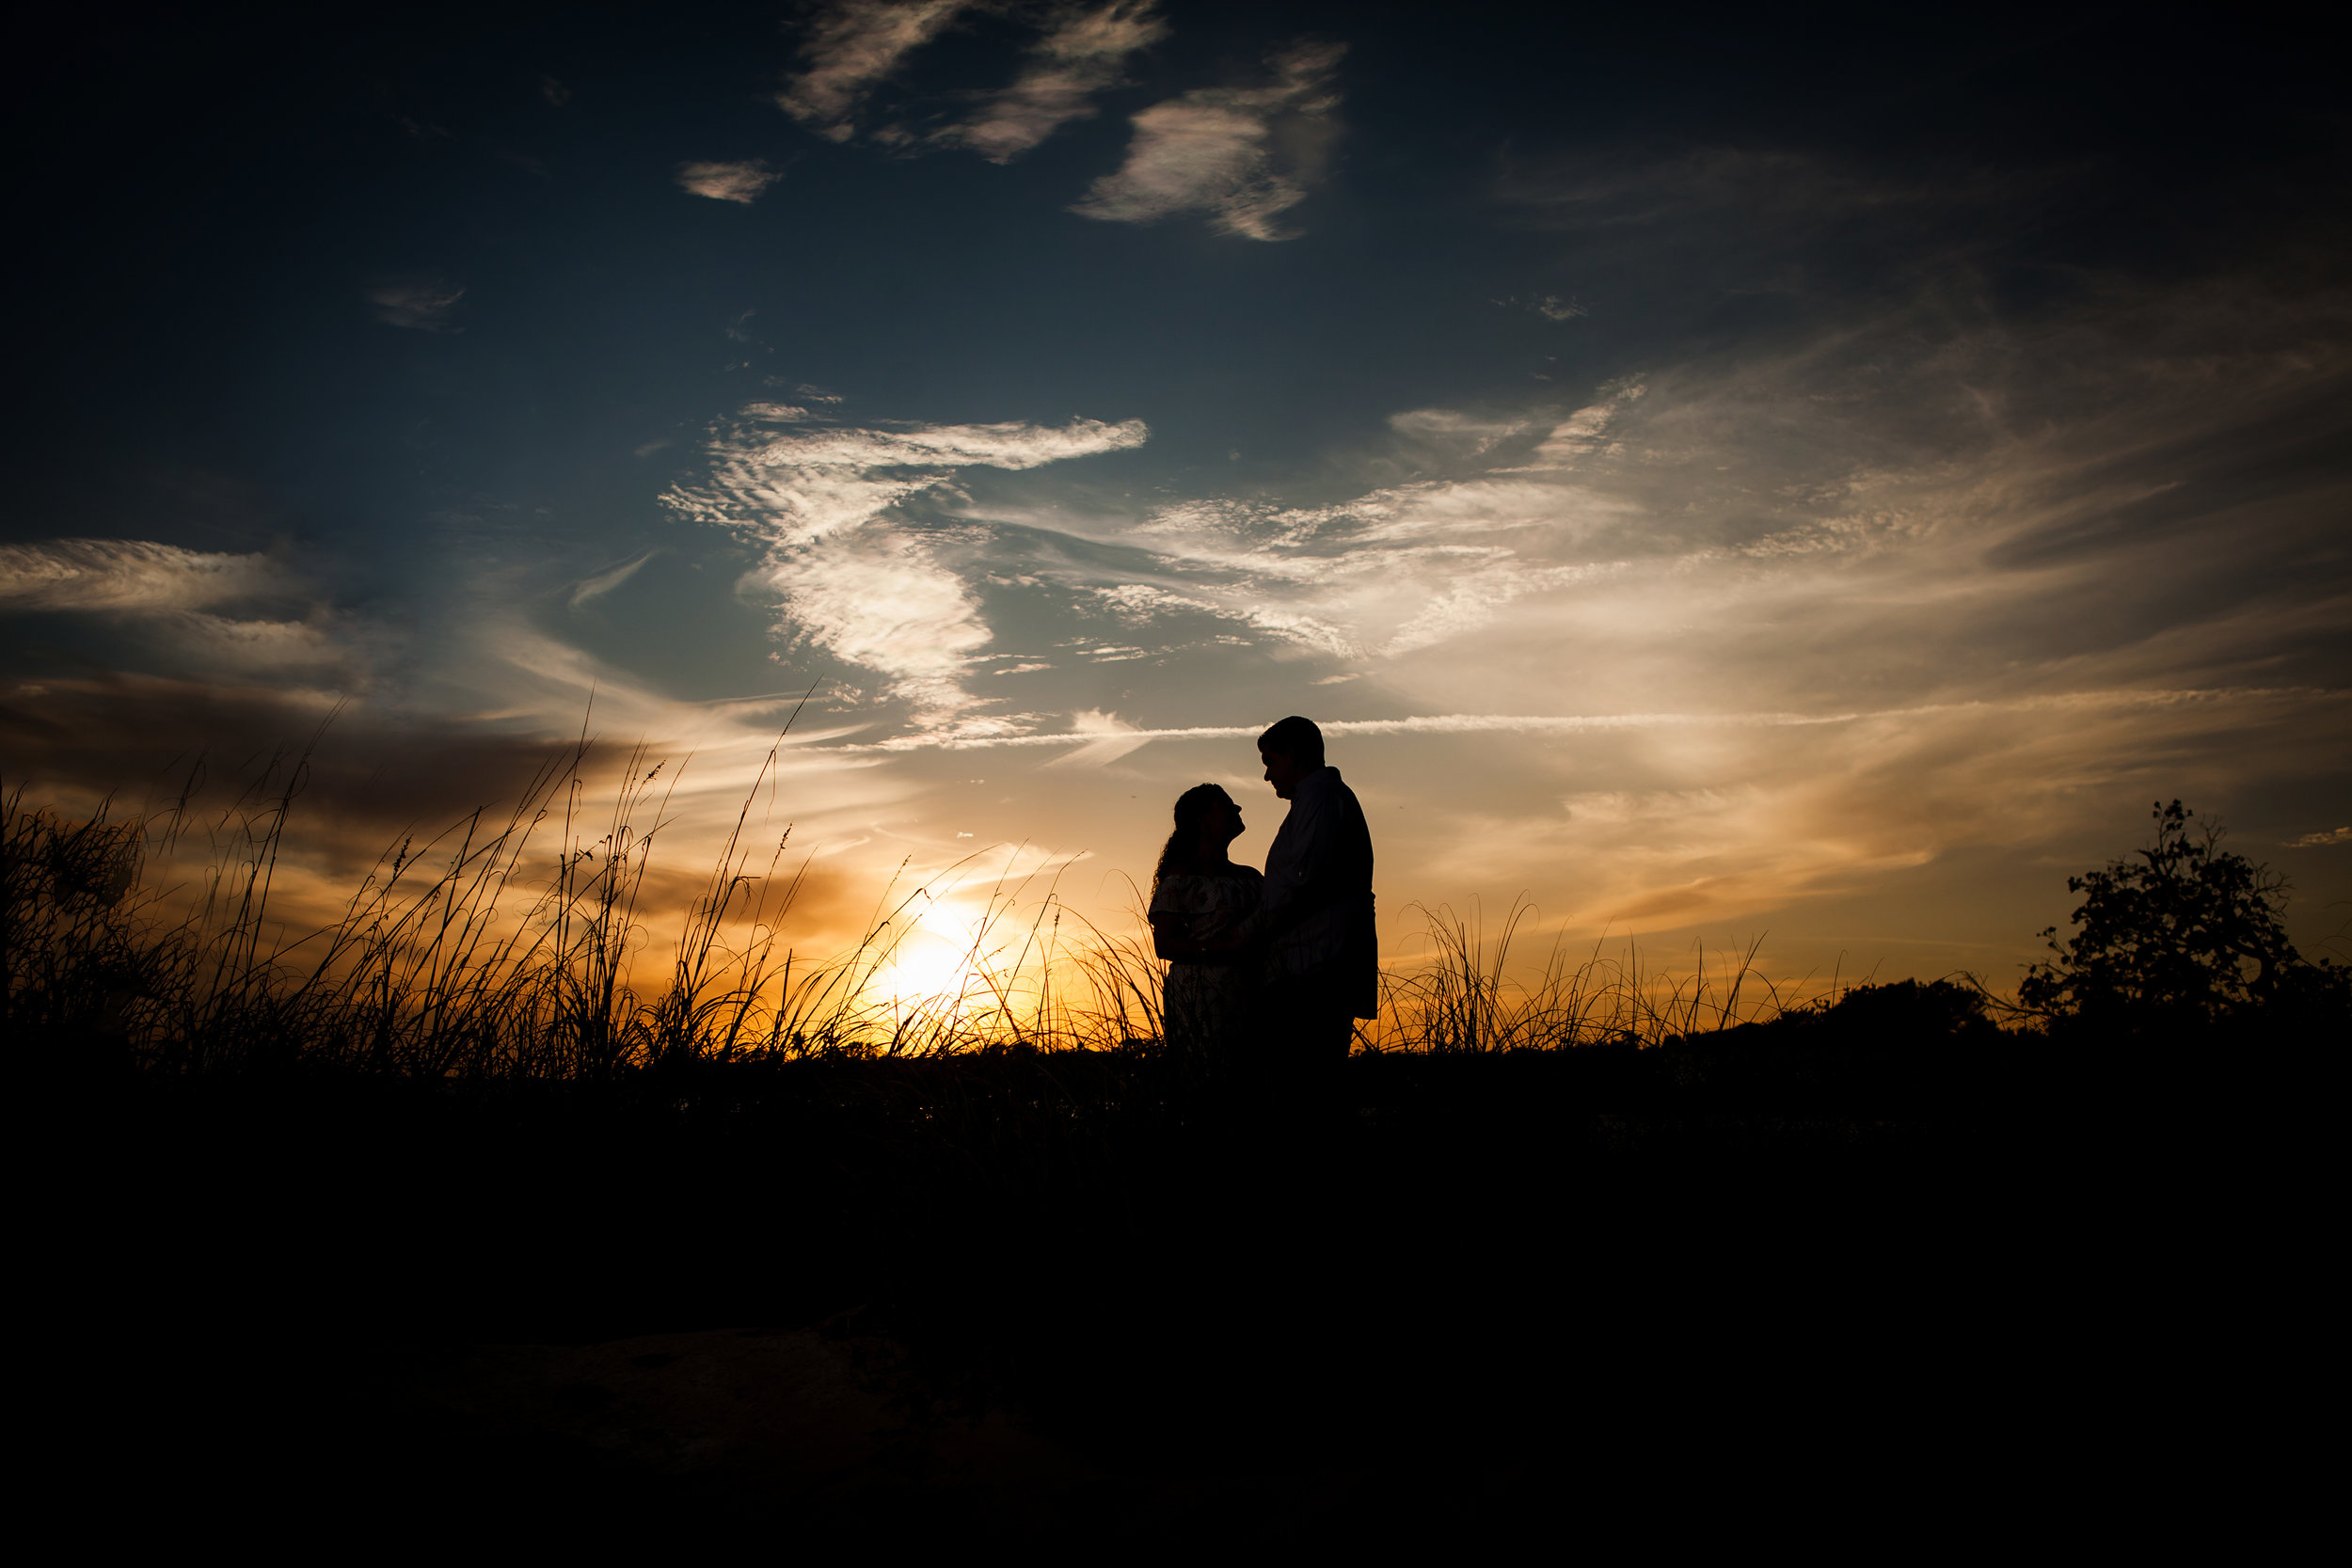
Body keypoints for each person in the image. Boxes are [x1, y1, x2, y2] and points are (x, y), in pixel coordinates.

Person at [1234, 715, 1376, 1077]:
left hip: (1316, 967)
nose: (1267, 776)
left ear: (1293, 754)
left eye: (1271, 762)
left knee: (1305, 1084)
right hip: (1311, 965)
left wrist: (1246, 934)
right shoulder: (1315, 801)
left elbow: (1301, 882)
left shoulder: (1322, 799)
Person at [1147, 784, 1263, 1077]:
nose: (1237, 809)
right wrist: (1225, 949)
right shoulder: (1180, 878)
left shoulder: (1250, 877)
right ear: (1202, 820)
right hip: (1201, 999)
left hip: (1253, 995)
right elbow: (1166, 945)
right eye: (1226, 804)